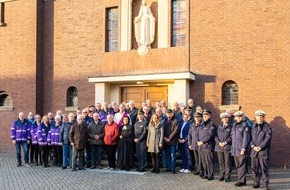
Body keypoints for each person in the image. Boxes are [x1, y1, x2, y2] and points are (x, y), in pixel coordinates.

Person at [250, 110, 272, 190]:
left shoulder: (267, 127)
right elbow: (250, 137)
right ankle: (256, 182)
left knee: (264, 168)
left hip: (263, 151)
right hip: (254, 151)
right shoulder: (253, 126)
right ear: (255, 117)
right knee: (254, 168)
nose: (259, 118)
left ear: (263, 118)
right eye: (257, 116)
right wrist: (253, 146)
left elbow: (267, 138)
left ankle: (265, 184)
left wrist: (260, 147)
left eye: (260, 117)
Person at [231, 111, 250, 187]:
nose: (237, 118)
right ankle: (242, 180)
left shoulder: (245, 126)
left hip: (241, 149)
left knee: (242, 165)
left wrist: (243, 149)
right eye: (236, 117)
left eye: (239, 117)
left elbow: (246, 139)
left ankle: (241, 181)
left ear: (242, 117)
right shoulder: (234, 125)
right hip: (235, 149)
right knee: (238, 165)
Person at [197, 109, 216, 180]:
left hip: (208, 146)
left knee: (209, 162)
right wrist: (198, 141)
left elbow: (210, 135)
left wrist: (202, 141)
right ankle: (206, 173)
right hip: (201, 146)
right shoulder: (201, 124)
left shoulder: (211, 124)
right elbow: (198, 134)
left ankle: (210, 175)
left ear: (209, 116)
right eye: (204, 115)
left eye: (206, 115)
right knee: (204, 162)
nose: (205, 116)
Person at [215, 112, 233, 182]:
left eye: (226, 118)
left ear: (228, 119)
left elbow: (232, 136)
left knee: (227, 162)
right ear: (221, 119)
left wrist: (225, 142)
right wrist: (219, 142)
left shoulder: (231, 126)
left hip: (227, 147)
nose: (225, 119)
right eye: (223, 118)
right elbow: (215, 136)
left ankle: (227, 176)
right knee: (221, 162)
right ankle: (222, 175)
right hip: (219, 147)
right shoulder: (219, 126)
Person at [163, 109, 179, 174]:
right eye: (167, 113)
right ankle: (169, 167)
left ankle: (173, 168)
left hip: (172, 141)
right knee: (167, 155)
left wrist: (169, 138)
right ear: (166, 114)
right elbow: (162, 130)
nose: (168, 115)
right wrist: (164, 137)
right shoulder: (164, 120)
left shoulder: (175, 120)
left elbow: (175, 131)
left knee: (173, 155)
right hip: (165, 141)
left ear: (172, 114)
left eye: (170, 113)